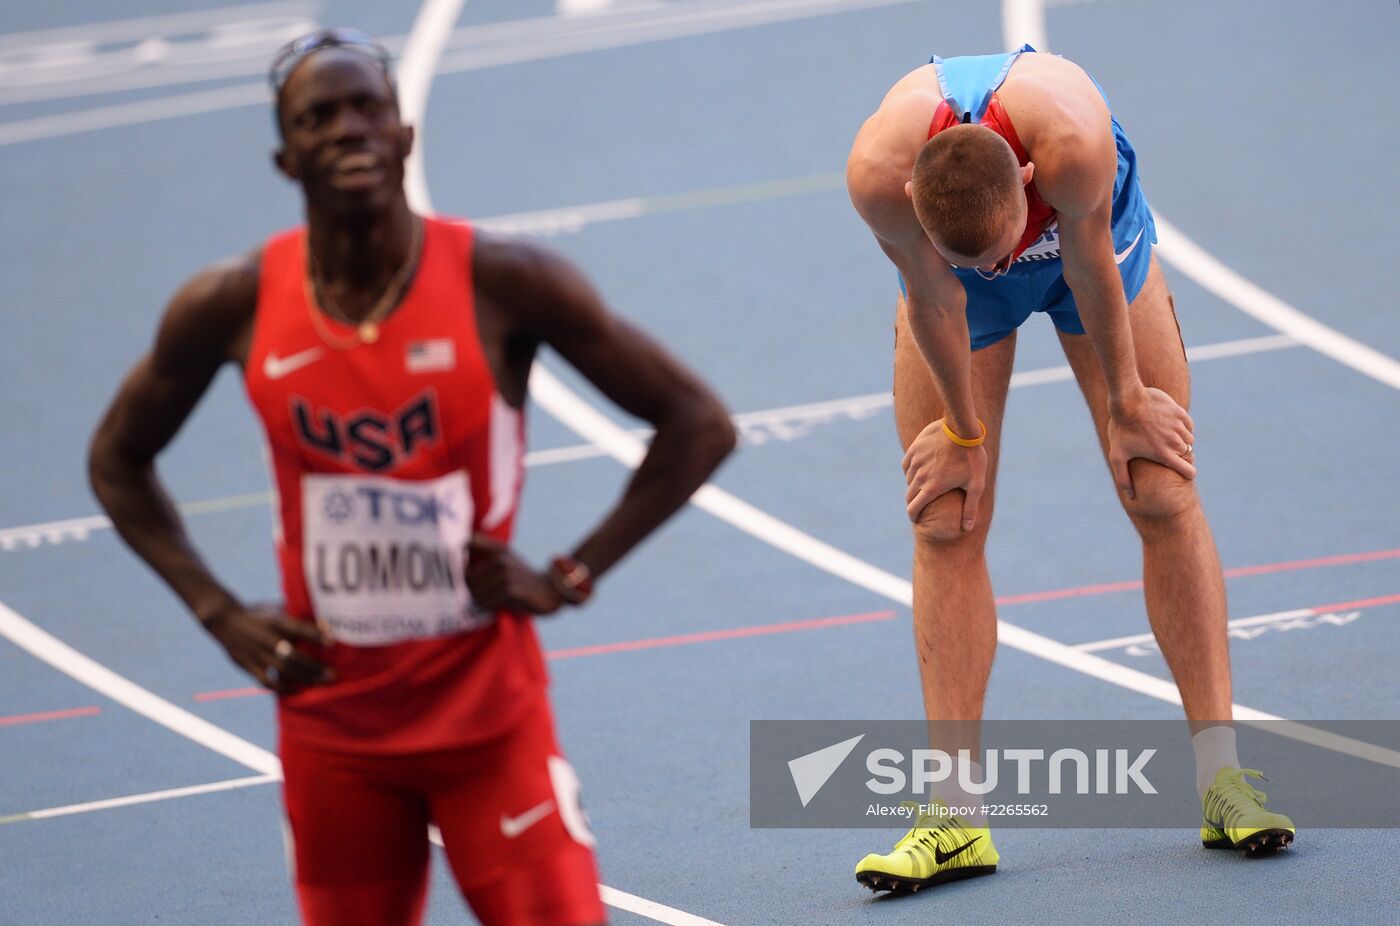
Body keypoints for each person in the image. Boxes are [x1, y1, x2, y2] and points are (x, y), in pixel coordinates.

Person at [88, 28, 736, 926]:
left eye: (368, 109)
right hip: (330, 728)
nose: (349, 129)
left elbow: (698, 425)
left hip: (487, 718)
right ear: (285, 157)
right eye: (320, 117)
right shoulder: (232, 303)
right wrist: (218, 611)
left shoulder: (504, 282)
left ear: (405, 135)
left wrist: (568, 576)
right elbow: (116, 461)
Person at [844, 45, 1294, 893]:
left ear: (1025, 176)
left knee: (1160, 484)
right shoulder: (878, 174)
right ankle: (954, 819)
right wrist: (964, 437)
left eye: (1007, 246)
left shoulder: (1071, 148)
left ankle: (1224, 780)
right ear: (911, 200)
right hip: (956, 290)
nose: (1000, 269)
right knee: (947, 510)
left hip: (1090, 248)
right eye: (981, 260)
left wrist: (1128, 401)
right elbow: (937, 296)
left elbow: (1089, 269)